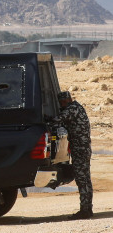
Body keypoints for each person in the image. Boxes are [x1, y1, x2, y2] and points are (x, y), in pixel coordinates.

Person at [51, 90, 93, 219]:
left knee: (82, 179)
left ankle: (85, 211)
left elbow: (56, 120)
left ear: (66, 100)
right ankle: (87, 208)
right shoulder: (77, 107)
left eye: (62, 102)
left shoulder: (72, 109)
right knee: (85, 179)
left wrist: (46, 119)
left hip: (80, 149)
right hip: (83, 148)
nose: (62, 104)